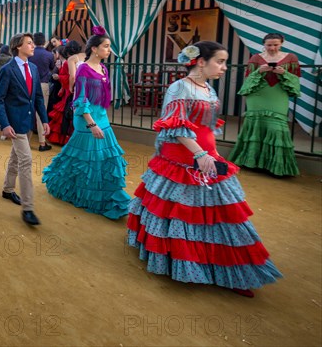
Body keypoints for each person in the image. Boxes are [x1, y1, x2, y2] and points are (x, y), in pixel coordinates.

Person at [127, 41, 282, 298]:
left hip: (206, 157)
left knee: (221, 213)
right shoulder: (179, 87)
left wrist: (213, 153)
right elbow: (175, 128)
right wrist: (198, 153)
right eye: (219, 62)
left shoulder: (209, 90)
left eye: (224, 62)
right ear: (201, 61)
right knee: (180, 212)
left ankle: (230, 269)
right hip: (183, 159)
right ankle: (185, 263)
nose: (223, 68)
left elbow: (208, 128)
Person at [42, 27, 130, 218]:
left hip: (101, 116)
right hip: (86, 118)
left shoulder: (104, 68)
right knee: (85, 158)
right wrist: (91, 124)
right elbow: (80, 100)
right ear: (95, 49)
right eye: (106, 47)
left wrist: (100, 120)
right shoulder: (83, 69)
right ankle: (75, 189)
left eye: (109, 47)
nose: (109, 50)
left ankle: (106, 194)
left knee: (106, 158)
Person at [0, 33, 50, 226]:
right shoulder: (7, 70)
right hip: (15, 124)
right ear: (18, 46)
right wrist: (5, 124)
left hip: (28, 125)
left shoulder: (33, 68)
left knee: (16, 157)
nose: (33, 46)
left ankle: (8, 190)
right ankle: (28, 208)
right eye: (29, 43)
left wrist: (44, 120)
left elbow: (38, 98)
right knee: (26, 160)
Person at [229, 33, 301, 177]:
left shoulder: (291, 57)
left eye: (275, 44)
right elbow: (248, 80)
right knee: (254, 124)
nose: (272, 48)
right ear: (264, 44)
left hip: (278, 94)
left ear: (282, 43)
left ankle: (277, 167)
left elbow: (295, 80)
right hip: (257, 96)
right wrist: (259, 71)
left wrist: (284, 73)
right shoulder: (256, 58)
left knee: (277, 127)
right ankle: (250, 162)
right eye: (269, 45)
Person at [47, 41, 82, 146]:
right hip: (69, 88)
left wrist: (60, 78)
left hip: (69, 90)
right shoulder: (78, 59)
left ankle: (63, 138)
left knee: (65, 113)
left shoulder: (69, 62)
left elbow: (70, 77)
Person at [28, 32, 55, 152]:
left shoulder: (29, 53)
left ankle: (26, 141)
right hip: (43, 84)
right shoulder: (49, 54)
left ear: (33, 41)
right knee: (41, 112)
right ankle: (42, 142)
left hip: (29, 83)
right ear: (44, 41)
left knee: (28, 111)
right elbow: (52, 68)